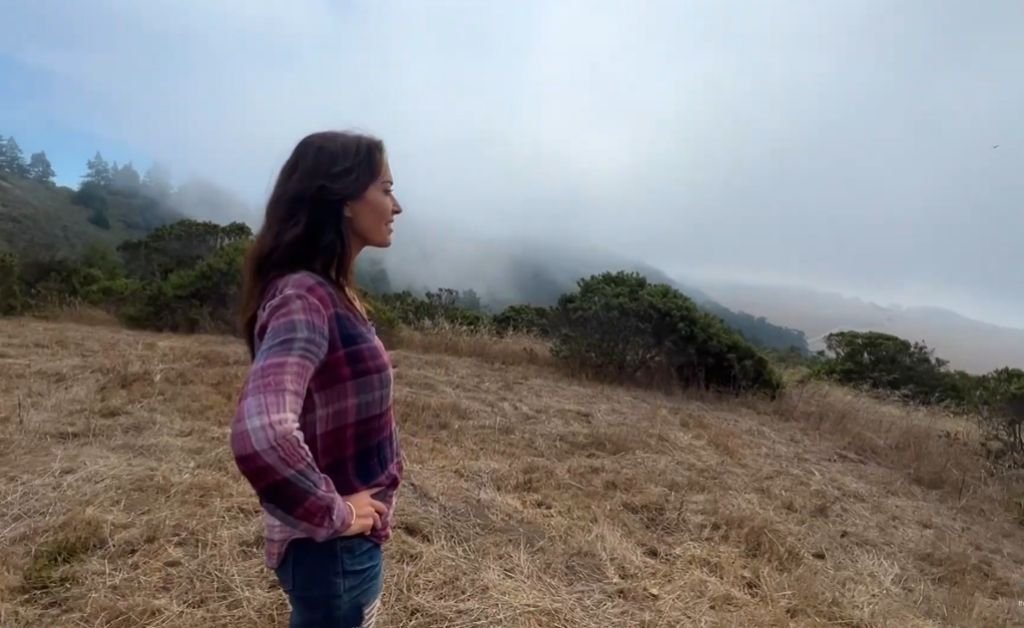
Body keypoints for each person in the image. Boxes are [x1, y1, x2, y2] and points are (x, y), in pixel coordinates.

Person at [230, 130, 404, 627]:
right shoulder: (306, 297)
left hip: (335, 555)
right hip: (333, 554)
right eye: (386, 189)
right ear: (345, 199)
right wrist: (337, 513)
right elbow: (260, 435)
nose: (397, 206)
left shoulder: (327, 291)